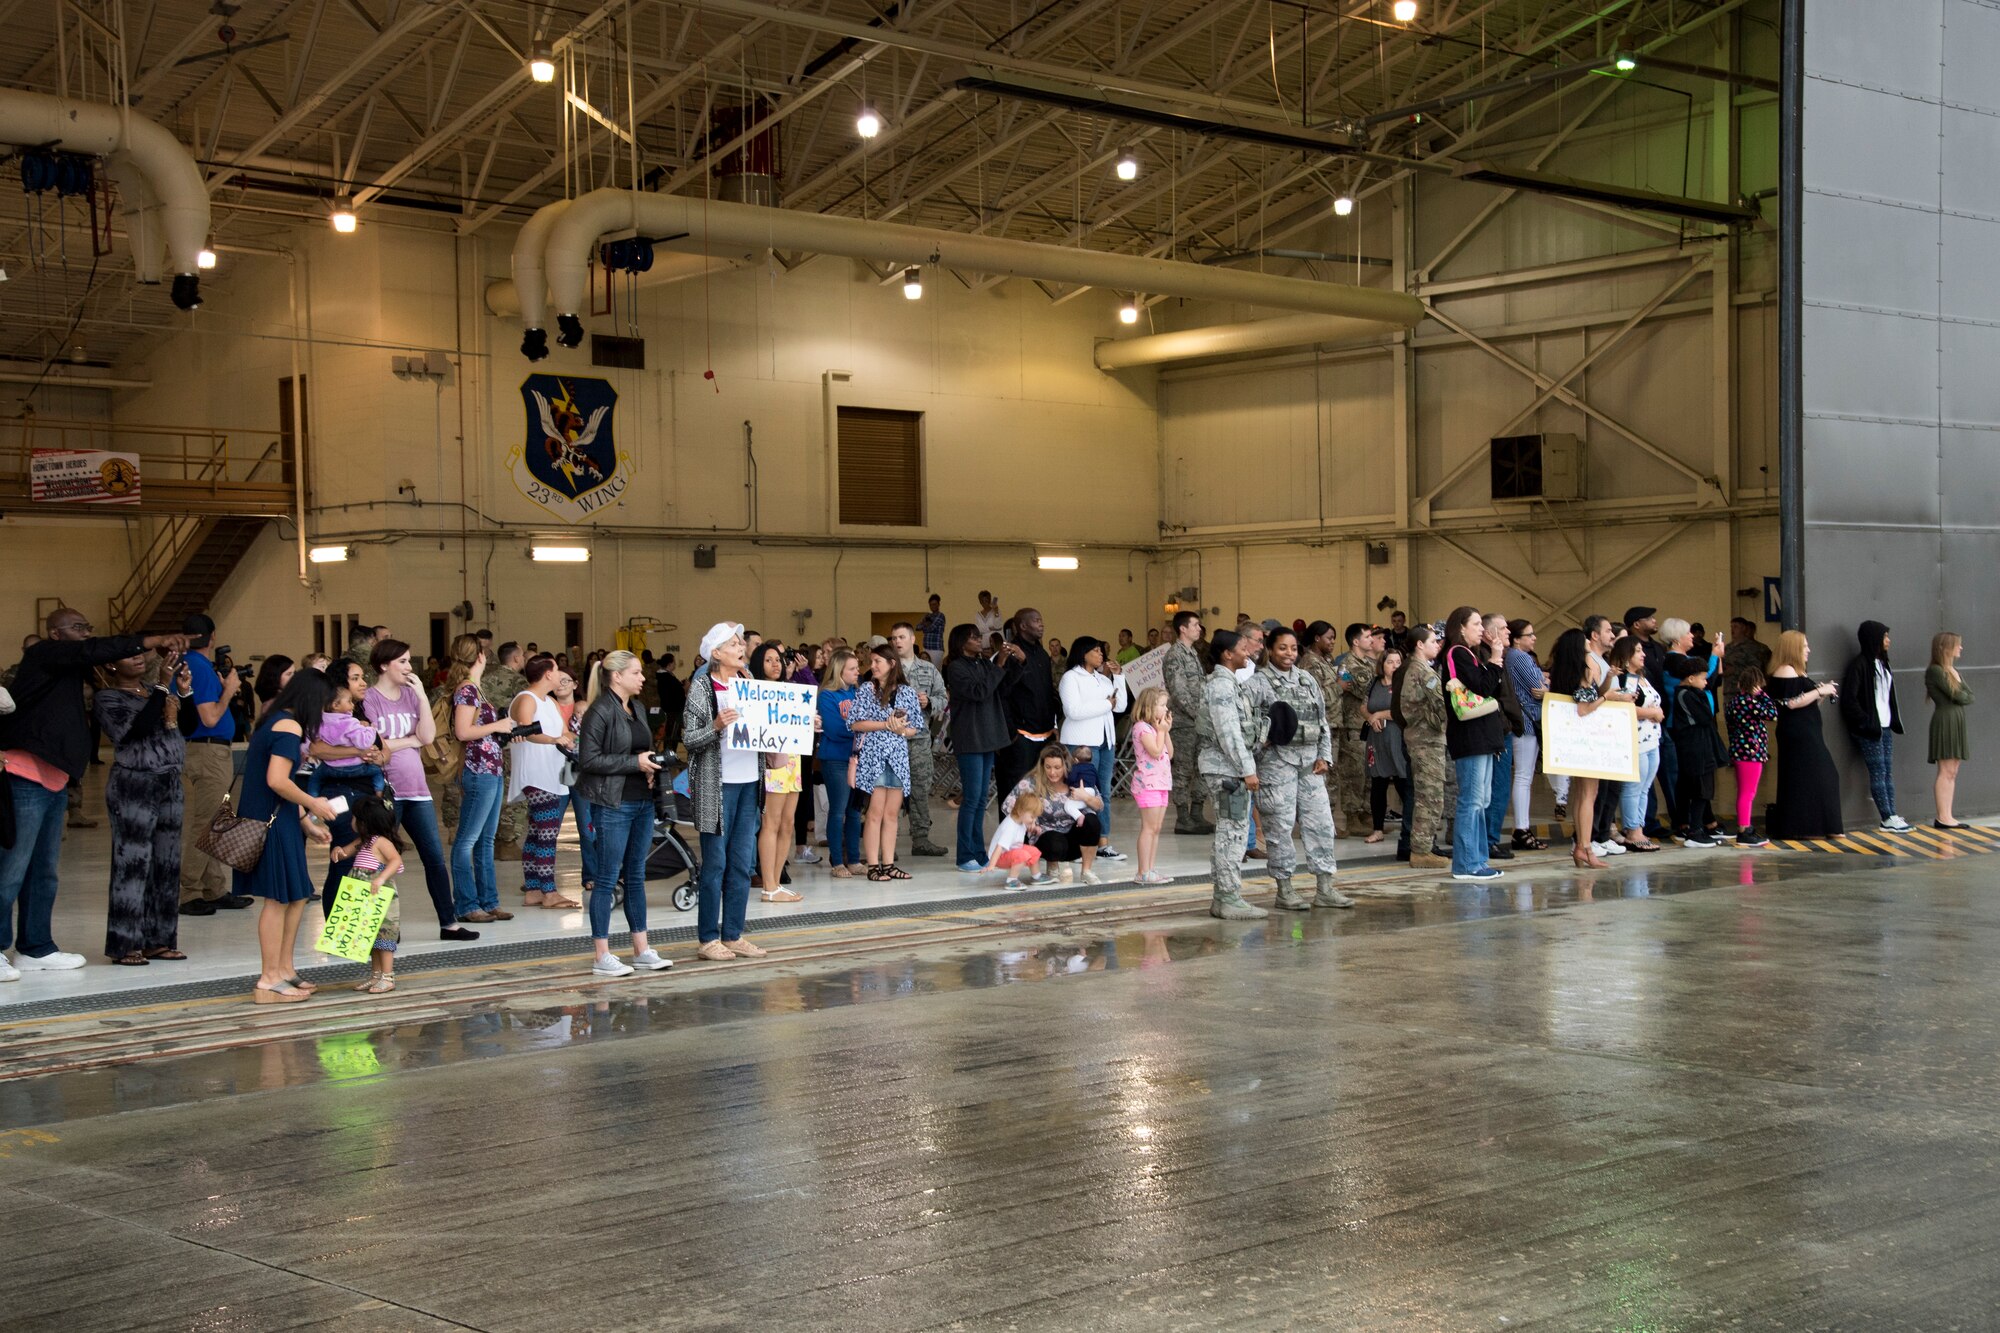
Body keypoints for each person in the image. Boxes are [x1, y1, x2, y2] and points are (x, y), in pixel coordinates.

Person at [0, 609, 191, 980]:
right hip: (25, 775)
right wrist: (150, 640)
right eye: (77, 628)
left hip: (55, 779)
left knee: (44, 873)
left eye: (88, 628)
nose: (86, 635)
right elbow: (97, 655)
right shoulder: (42, 655)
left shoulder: (73, 671)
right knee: (10, 870)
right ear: (54, 634)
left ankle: (36, 948)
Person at [365, 639, 477, 941]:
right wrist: (408, 740)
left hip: (417, 790)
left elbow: (426, 736)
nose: (408, 667)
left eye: (409, 660)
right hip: (386, 790)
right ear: (384, 665)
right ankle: (383, 926)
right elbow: (376, 743)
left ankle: (448, 922)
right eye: (402, 661)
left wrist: (421, 699)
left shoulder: (412, 696)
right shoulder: (370, 698)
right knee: (380, 858)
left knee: (434, 858)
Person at [237, 670, 339, 1003]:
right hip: (271, 822)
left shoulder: (275, 720)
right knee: (278, 899)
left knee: (296, 895)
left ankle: (284, 969)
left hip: (280, 818)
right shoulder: (288, 727)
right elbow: (278, 781)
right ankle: (269, 978)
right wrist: (314, 805)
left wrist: (306, 822)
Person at [94, 647, 196, 966]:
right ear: (111, 663)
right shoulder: (107, 698)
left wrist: (185, 692)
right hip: (133, 782)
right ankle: (126, 943)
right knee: (133, 862)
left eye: (141, 653)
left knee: (166, 864)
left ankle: (159, 939)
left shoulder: (156, 691)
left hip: (169, 781)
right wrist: (164, 689)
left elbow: (189, 727)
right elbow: (134, 731)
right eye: (128, 654)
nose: (138, 658)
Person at [575, 650, 671, 976]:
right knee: (605, 878)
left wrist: (649, 764)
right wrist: (635, 763)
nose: (643, 678)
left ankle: (641, 948)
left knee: (635, 877)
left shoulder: (637, 708)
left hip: (642, 801)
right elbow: (588, 759)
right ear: (617, 676)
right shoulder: (599, 711)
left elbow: (638, 748)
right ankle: (601, 954)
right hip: (613, 804)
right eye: (636, 673)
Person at [1246, 626, 1351, 911]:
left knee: (1321, 824)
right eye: (1282, 648)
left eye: (1293, 648)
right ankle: (1285, 889)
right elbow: (1244, 725)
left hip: (1310, 764)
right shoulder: (1258, 684)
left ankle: (1325, 887)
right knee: (1279, 827)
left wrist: (1325, 756)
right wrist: (1261, 742)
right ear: (1270, 649)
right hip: (1276, 765)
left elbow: (1322, 720)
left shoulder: (1307, 680)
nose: (1289, 653)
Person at [683, 624, 765, 962]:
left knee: (742, 864)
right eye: (733, 643)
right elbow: (689, 739)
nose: (740, 646)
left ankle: (733, 934)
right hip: (715, 787)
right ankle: (707, 938)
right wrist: (716, 726)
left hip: (748, 783)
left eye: (740, 642)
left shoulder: (750, 685)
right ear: (716, 653)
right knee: (715, 863)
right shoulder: (702, 687)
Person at [178, 613, 250, 917]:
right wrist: (231, 690)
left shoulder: (188, 665)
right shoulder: (200, 668)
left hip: (198, 751)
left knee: (214, 819)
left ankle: (215, 888)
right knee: (208, 823)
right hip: (208, 752)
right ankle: (188, 891)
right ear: (213, 637)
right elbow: (209, 717)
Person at [446, 635, 517, 925]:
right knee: (467, 841)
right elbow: (463, 732)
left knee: (486, 840)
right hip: (478, 770)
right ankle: (466, 903)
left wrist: (499, 731)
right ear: (479, 657)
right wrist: (497, 724)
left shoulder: (478, 689)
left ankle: (489, 901)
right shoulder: (467, 691)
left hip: (491, 768)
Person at [1197, 629, 1267, 919]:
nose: (1248, 652)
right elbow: (1229, 733)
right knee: (1232, 835)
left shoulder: (1228, 684)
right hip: (1227, 770)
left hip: (1228, 768)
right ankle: (1228, 897)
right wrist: (1247, 769)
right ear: (1228, 654)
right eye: (1242, 648)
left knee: (1231, 833)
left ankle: (1224, 897)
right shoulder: (1222, 687)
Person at [508, 655, 579, 910]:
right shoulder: (526, 699)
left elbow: (563, 732)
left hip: (552, 774)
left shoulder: (548, 701)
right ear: (548, 673)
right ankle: (549, 892)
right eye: (556, 668)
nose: (559, 672)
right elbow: (526, 731)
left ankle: (534, 889)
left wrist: (575, 738)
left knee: (538, 833)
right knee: (548, 833)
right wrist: (553, 741)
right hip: (536, 775)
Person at [851, 643, 926, 882]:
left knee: (892, 813)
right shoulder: (866, 690)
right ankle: (873, 865)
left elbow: (916, 727)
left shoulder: (906, 692)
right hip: (873, 757)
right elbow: (855, 723)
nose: (872, 666)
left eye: (877, 662)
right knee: (874, 812)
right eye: (871, 662)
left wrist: (902, 730)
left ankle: (889, 863)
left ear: (891, 664)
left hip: (898, 758)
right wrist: (886, 725)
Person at [1440, 607, 1504, 883]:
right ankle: (1466, 863)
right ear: (1461, 628)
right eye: (1476, 624)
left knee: (1482, 800)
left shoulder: (1474, 655)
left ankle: (1477, 860)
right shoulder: (1457, 653)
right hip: (1470, 737)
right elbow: (1483, 687)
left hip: (1483, 737)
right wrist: (1497, 659)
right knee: (1471, 800)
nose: (1481, 628)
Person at [943, 624, 1012, 872]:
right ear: (962, 643)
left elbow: (999, 688)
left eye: (977, 636)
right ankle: (964, 855)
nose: (978, 640)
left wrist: (1005, 664)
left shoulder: (982, 663)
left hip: (987, 737)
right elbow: (980, 692)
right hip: (970, 738)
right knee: (971, 799)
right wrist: (999, 665)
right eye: (973, 637)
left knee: (981, 799)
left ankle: (979, 852)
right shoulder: (955, 667)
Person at [747, 643, 810, 905]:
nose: (775, 664)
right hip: (773, 763)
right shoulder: (755, 693)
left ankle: (776, 880)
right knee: (771, 824)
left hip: (792, 761)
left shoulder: (790, 691)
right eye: (768, 660)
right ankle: (769, 885)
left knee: (787, 823)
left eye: (778, 660)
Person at [1057, 636, 1129, 861]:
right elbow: (1073, 711)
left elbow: (1122, 706)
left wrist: (1119, 677)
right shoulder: (1071, 677)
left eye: (1102, 652)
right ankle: (1078, 842)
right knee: (1081, 792)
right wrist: (1106, 704)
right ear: (1083, 652)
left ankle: (1102, 842)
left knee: (1103, 793)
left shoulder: (1103, 679)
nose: (1101, 655)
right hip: (1082, 741)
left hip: (1105, 740)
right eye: (1096, 651)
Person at [1767, 630, 1844, 839]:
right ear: (1793, 649)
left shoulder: (1797, 672)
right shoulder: (1785, 670)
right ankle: (1805, 826)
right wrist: (1820, 691)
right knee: (1811, 776)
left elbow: (1802, 701)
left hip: (1807, 729)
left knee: (1817, 775)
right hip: (1798, 732)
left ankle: (1822, 825)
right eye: (1804, 647)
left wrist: (1821, 692)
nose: (1808, 650)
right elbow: (1792, 702)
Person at [1838, 621, 1912, 833]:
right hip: (1871, 729)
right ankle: (1887, 817)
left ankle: (1892, 814)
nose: (1888, 640)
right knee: (1878, 772)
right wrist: (1865, 721)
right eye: (1885, 636)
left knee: (1887, 772)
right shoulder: (1860, 665)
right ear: (1874, 639)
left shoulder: (1883, 663)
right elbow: (1849, 700)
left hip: (1885, 726)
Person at [333, 793, 405, 994]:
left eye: (355, 818)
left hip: (380, 897)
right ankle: (375, 976)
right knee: (371, 938)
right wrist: (338, 850)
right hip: (364, 897)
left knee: (384, 937)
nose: (352, 821)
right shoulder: (365, 841)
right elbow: (346, 851)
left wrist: (381, 878)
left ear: (367, 822)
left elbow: (396, 861)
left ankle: (387, 977)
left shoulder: (381, 842)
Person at [1002, 744, 1105, 884]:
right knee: (1055, 843)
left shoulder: (1077, 777)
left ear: (1066, 765)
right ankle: (1052, 867)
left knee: (1092, 822)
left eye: (1057, 768)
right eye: (1048, 767)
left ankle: (1086, 871)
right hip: (1047, 837)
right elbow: (1009, 807)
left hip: (1074, 837)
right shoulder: (1032, 782)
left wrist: (1086, 797)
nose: (1052, 772)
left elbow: (1100, 806)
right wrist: (1029, 822)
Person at [889, 622, 950, 858]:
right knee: (889, 789)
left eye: (901, 637)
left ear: (913, 639)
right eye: (894, 638)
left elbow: (943, 698)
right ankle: (887, 843)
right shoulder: (887, 669)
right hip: (891, 739)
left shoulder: (928, 669)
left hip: (920, 739)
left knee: (920, 788)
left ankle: (921, 838)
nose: (897, 642)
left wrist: (929, 703)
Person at [1395, 625, 1451, 869]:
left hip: (1421, 738)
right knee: (1430, 796)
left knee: (1427, 794)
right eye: (1432, 642)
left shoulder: (1416, 670)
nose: (1437, 645)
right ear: (1420, 644)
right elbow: (1439, 706)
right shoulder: (1422, 672)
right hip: (1426, 739)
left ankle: (1422, 847)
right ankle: (1421, 850)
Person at [1606, 636, 1665, 853]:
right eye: (1638, 651)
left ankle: (1639, 827)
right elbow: (1627, 707)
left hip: (1651, 738)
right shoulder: (1626, 680)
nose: (1643, 655)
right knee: (1634, 786)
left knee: (1645, 786)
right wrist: (1652, 712)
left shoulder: (1642, 678)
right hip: (1635, 739)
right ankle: (1632, 830)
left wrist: (1657, 712)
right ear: (1626, 656)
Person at [995, 608, 1058, 804]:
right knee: (1016, 793)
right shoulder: (1010, 653)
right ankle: (1013, 835)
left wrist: (1055, 721)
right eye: (1036, 620)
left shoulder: (1041, 653)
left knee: (1041, 791)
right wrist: (1011, 732)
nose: (1041, 624)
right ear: (1023, 626)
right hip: (1020, 736)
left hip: (1044, 732)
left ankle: (1036, 834)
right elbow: (1002, 691)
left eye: (1041, 620)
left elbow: (1047, 690)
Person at [1667, 654, 1726, 846]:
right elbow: (1704, 716)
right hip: (1694, 749)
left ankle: (1700, 827)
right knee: (1700, 790)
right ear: (1691, 679)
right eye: (1702, 678)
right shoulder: (1685, 695)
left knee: (1704, 790)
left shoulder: (1693, 692)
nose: (1706, 682)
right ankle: (1695, 830)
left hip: (1701, 747)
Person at [817, 648, 866, 878]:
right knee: (838, 810)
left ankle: (854, 858)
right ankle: (837, 861)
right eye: (853, 669)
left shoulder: (859, 693)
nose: (858, 672)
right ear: (839, 670)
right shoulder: (827, 695)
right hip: (836, 758)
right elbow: (835, 729)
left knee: (855, 811)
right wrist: (861, 730)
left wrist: (861, 729)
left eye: (857, 668)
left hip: (857, 758)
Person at [1480, 615, 1525, 862]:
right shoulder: (1489, 658)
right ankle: (1489, 840)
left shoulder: (1499, 657)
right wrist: (1511, 721)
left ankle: (1490, 839)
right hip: (1497, 729)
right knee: (1496, 788)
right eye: (1503, 627)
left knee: (1497, 787)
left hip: (1503, 727)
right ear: (1489, 633)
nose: (1508, 630)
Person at [1502, 620, 1549, 852]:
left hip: (1521, 721)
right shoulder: (1520, 658)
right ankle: (1522, 828)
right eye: (1529, 635)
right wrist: (1547, 686)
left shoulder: (1510, 657)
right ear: (1517, 639)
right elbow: (1538, 687)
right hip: (1526, 722)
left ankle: (1523, 827)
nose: (1534, 638)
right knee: (1523, 776)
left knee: (1523, 776)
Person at [1164, 610, 1211, 834]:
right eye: (1195, 625)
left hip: (1199, 722)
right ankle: (1182, 817)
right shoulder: (1176, 655)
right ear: (1183, 628)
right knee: (1183, 770)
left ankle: (1197, 814)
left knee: (1200, 768)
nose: (1199, 629)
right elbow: (1179, 691)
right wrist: (1197, 713)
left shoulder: (1192, 653)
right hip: (1184, 723)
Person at [1725, 667, 1777, 846]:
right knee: (1748, 793)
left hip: (1739, 750)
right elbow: (1772, 713)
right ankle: (1744, 829)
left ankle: (1745, 827)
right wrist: (1762, 695)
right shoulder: (1751, 703)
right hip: (1751, 753)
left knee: (1744, 791)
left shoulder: (1734, 702)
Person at [1365, 647, 1410, 852]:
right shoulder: (1374, 683)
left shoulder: (1404, 684)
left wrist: (1380, 714)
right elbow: (1364, 705)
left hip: (1397, 736)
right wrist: (1370, 718)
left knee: (1403, 782)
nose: (1394, 666)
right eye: (1390, 662)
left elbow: (1404, 710)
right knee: (1378, 783)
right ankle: (1377, 829)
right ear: (1382, 664)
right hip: (1378, 738)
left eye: (1398, 662)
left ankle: (1412, 827)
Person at [1128, 686, 1174, 885]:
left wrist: (1165, 731)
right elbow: (1155, 751)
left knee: (1157, 828)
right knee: (1148, 828)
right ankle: (1142, 871)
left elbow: (1169, 753)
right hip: (1148, 784)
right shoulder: (1141, 727)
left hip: (1162, 783)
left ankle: (1151, 868)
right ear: (1149, 706)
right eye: (1162, 705)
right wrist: (1161, 731)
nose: (1165, 709)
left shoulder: (1157, 728)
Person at [1926, 632, 1972, 828]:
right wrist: (1958, 685)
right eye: (1957, 645)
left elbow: (1970, 696)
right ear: (1945, 648)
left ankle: (1948, 815)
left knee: (1953, 770)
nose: (1960, 648)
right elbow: (1960, 697)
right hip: (1945, 720)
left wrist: (1956, 679)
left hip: (1956, 719)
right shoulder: (1936, 671)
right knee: (1946, 770)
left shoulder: (1952, 671)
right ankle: (1943, 817)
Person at [985, 791, 1045, 889]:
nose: (1034, 821)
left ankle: (1036, 876)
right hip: (999, 856)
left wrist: (1034, 827)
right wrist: (992, 865)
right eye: (1032, 817)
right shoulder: (1010, 827)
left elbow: (1026, 827)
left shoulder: (1021, 820)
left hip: (1011, 850)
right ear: (1021, 811)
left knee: (1034, 851)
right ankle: (1011, 880)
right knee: (1023, 855)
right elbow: (999, 847)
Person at [1722, 617, 1773, 700]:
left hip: (1747, 691)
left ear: (1743, 628)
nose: (1732, 630)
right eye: (1731, 627)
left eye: (1736, 627)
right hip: (1729, 691)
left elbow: (1756, 668)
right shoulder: (1727, 648)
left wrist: (1735, 670)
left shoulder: (1753, 647)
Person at [252, 654, 295, 721]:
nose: (294, 677)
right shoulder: (272, 704)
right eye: (288, 674)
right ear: (275, 676)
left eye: (294, 673)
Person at [918, 593, 947, 664]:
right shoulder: (927, 615)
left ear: (938, 604)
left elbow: (931, 628)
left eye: (934, 604)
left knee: (935, 671)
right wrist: (925, 625)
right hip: (926, 647)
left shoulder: (941, 616)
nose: (932, 606)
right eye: (931, 604)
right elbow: (918, 627)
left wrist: (924, 626)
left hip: (936, 648)